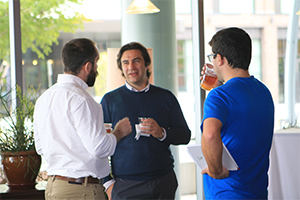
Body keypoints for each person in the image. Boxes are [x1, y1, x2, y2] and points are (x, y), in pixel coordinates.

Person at [33, 38, 132, 200]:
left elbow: (41, 148)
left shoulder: (44, 99)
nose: (97, 68)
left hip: (53, 187)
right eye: (96, 63)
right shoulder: (83, 100)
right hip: (81, 190)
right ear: (88, 66)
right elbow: (100, 148)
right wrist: (118, 132)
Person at [100, 42, 191, 200]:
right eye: (125, 63)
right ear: (121, 68)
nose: (131, 67)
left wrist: (162, 133)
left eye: (136, 61)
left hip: (163, 180)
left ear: (147, 64)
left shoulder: (166, 97)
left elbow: (184, 135)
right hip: (125, 184)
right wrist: (107, 183)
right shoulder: (110, 100)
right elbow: (100, 145)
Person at [200, 27, 274, 199]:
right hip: (257, 190)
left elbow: (210, 134)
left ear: (220, 59)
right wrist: (220, 86)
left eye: (213, 57)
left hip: (227, 191)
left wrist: (216, 170)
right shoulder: (263, 91)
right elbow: (243, 124)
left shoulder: (218, 96)